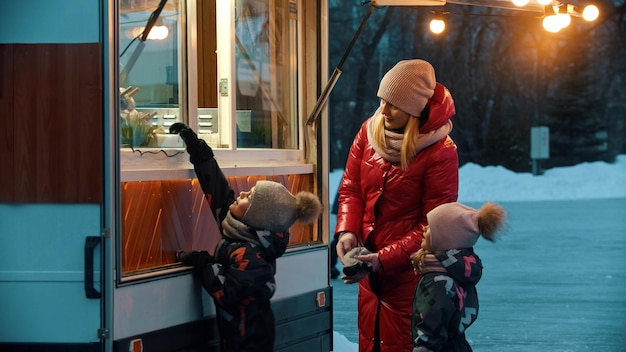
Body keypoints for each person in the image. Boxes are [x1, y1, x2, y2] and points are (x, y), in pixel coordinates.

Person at [334, 59, 459, 352]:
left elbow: (433, 226)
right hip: (369, 272)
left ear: (416, 109)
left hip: (409, 276)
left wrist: (384, 259)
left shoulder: (441, 152)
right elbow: (351, 189)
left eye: (394, 105)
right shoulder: (368, 131)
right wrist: (347, 231)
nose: (384, 111)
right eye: (382, 101)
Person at [169, 122, 323, 352]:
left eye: (248, 198)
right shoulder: (241, 230)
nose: (240, 194)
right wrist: (198, 150)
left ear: (255, 217)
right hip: (235, 336)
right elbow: (218, 192)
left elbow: (228, 296)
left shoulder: (252, 255)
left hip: (249, 342)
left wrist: (204, 264)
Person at [410, 202, 508, 351]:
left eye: (431, 227)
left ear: (446, 238)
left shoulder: (437, 281)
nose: (424, 228)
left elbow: (430, 333)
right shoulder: (459, 273)